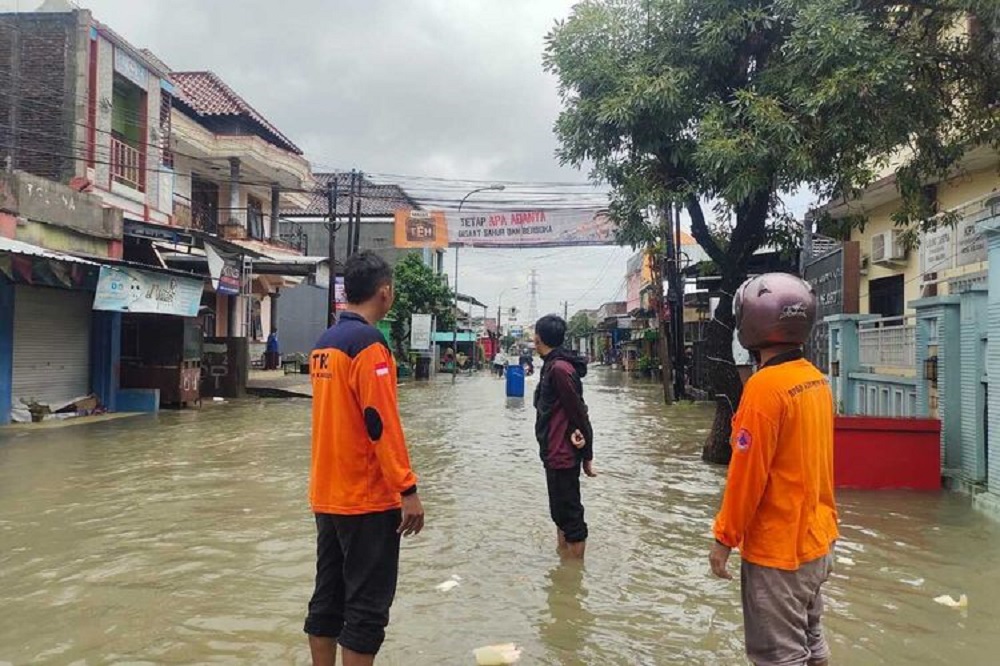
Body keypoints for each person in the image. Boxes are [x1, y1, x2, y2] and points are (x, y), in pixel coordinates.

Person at [709, 273, 839, 666]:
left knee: (778, 656)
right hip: (819, 542)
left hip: (779, 551)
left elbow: (747, 478)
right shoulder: (815, 380)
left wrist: (724, 539)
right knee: (811, 642)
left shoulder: (764, 389)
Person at [306, 251, 425, 666]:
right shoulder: (370, 345)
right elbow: (380, 423)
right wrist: (407, 488)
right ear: (384, 292)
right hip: (366, 498)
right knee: (366, 609)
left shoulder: (324, 344)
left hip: (327, 495)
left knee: (328, 598)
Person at [533, 314, 595, 560]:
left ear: (538, 338)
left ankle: (574, 570)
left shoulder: (559, 369)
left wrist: (588, 455)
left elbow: (578, 411)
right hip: (553, 452)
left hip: (562, 454)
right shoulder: (552, 365)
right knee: (559, 513)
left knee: (570, 517)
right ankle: (564, 565)